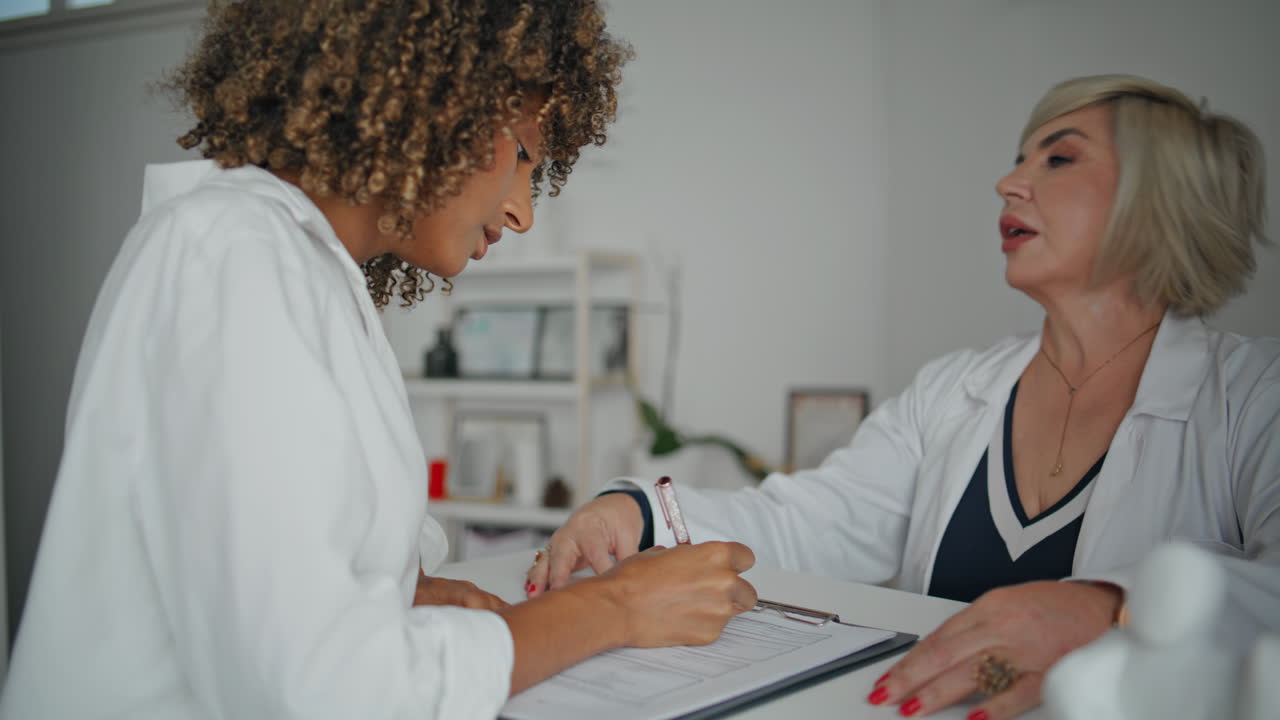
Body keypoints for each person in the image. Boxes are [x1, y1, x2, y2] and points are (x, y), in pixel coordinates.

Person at [0, 1, 758, 718]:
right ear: (445, 99)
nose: (524, 211)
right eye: (524, 157)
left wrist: (411, 593)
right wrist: (616, 608)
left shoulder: (298, 266)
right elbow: (323, 693)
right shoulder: (230, 256)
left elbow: (274, 574)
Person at [528, 73, 1280, 720]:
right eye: (1019, 158)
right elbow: (815, 520)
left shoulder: (1253, 397)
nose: (1009, 182)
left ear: (1160, 200)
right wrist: (642, 513)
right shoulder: (954, 391)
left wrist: (1112, 609)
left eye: (1059, 159)